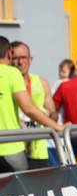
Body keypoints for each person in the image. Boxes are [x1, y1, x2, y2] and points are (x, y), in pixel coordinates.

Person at [0, 36, 64, 173]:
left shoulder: (41, 82)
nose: (20, 62)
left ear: (30, 60)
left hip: (37, 149)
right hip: (14, 147)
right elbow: (28, 109)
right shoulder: (9, 76)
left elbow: (53, 113)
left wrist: (49, 116)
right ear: (9, 56)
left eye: (23, 57)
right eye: (16, 58)